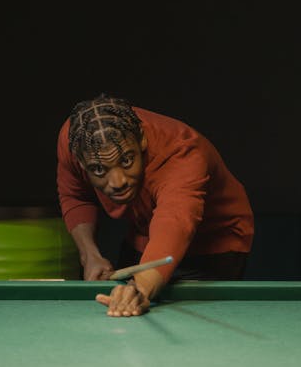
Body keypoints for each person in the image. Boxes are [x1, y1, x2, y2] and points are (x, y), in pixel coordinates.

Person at [57, 94, 254, 317]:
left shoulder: (181, 153)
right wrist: (89, 255)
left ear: (141, 139)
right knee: (125, 310)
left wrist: (140, 287)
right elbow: (76, 196)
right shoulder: (78, 139)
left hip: (212, 242)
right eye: (99, 170)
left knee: (183, 325)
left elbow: (175, 222)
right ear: (81, 162)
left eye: (127, 160)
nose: (117, 182)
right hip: (145, 233)